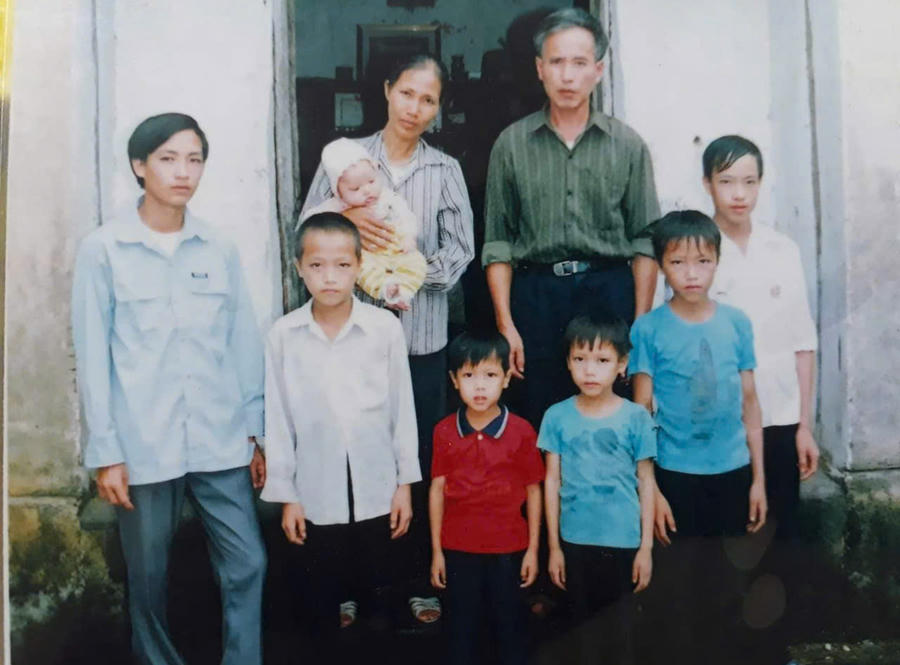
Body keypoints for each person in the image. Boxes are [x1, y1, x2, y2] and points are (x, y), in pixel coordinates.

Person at [71, 113, 267, 665]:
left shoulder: (218, 248)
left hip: (220, 436)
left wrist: (257, 431)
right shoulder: (104, 250)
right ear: (139, 166)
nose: (184, 172)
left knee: (248, 562)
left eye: (195, 159)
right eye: (168, 159)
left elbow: (243, 343)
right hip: (144, 444)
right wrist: (106, 451)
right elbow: (93, 356)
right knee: (148, 576)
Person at [301, 53, 474, 623]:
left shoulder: (444, 170)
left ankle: (416, 581)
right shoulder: (344, 158)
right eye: (406, 93)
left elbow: (461, 250)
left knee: (416, 459)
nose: (414, 108)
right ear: (386, 90)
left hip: (421, 340)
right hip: (349, 338)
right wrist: (348, 235)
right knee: (352, 454)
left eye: (428, 99)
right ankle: (352, 586)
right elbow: (305, 236)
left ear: (438, 108)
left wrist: (409, 275)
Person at [482, 7, 660, 427]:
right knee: (541, 418)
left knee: (609, 419)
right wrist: (507, 324)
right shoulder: (511, 145)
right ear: (539, 69)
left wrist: (638, 325)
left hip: (608, 293)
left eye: (579, 63)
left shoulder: (627, 145)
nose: (567, 76)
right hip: (537, 296)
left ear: (598, 70)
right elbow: (498, 243)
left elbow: (645, 241)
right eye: (557, 62)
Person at [261, 213, 420, 644]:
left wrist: (405, 484)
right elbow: (278, 419)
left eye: (342, 265)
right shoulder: (284, 335)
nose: (329, 277)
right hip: (315, 490)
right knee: (320, 601)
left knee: (379, 600)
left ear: (359, 266)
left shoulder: (383, 329)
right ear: (299, 267)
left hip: (377, 485)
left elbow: (401, 409)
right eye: (316, 265)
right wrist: (288, 496)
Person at [629, 210, 767, 663]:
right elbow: (641, 414)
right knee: (675, 591)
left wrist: (758, 481)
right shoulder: (648, 329)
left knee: (727, 586)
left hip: (731, 472)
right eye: (678, 262)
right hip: (675, 477)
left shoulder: (737, 323)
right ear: (661, 266)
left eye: (703, 261)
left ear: (717, 262)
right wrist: (651, 492)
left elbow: (750, 402)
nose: (691, 273)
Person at [703, 135, 819, 665]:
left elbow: (802, 341)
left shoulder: (782, 250)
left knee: (778, 539)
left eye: (749, 181)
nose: (739, 194)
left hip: (779, 418)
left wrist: (804, 424)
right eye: (727, 181)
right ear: (708, 185)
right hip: (722, 425)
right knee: (728, 541)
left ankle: (773, 653)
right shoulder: (698, 254)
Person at [540, 312, 656, 664]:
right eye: (580, 359)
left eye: (602, 360)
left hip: (623, 542)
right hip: (575, 541)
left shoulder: (636, 417)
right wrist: (554, 547)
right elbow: (551, 481)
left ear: (622, 364)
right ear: (568, 362)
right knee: (582, 632)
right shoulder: (556, 416)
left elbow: (646, 481)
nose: (590, 371)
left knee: (621, 634)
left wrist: (646, 548)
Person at [429, 331, 544, 665]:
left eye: (490, 375)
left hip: (508, 548)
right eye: (469, 375)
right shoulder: (444, 430)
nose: (479, 386)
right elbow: (437, 490)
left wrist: (533, 550)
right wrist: (437, 552)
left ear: (506, 378)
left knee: (509, 627)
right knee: (461, 630)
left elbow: (533, 490)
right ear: (454, 380)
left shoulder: (521, 431)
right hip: (458, 547)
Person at [300, 137, 427, 307]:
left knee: (417, 262)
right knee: (361, 269)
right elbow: (310, 220)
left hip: (396, 248)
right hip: (367, 255)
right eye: (355, 189)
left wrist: (408, 237)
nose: (367, 190)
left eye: (371, 181)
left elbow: (406, 216)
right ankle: (386, 291)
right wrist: (342, 216)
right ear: (338, 192)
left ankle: (404, 292)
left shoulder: (388, 197)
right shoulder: (337, 206)